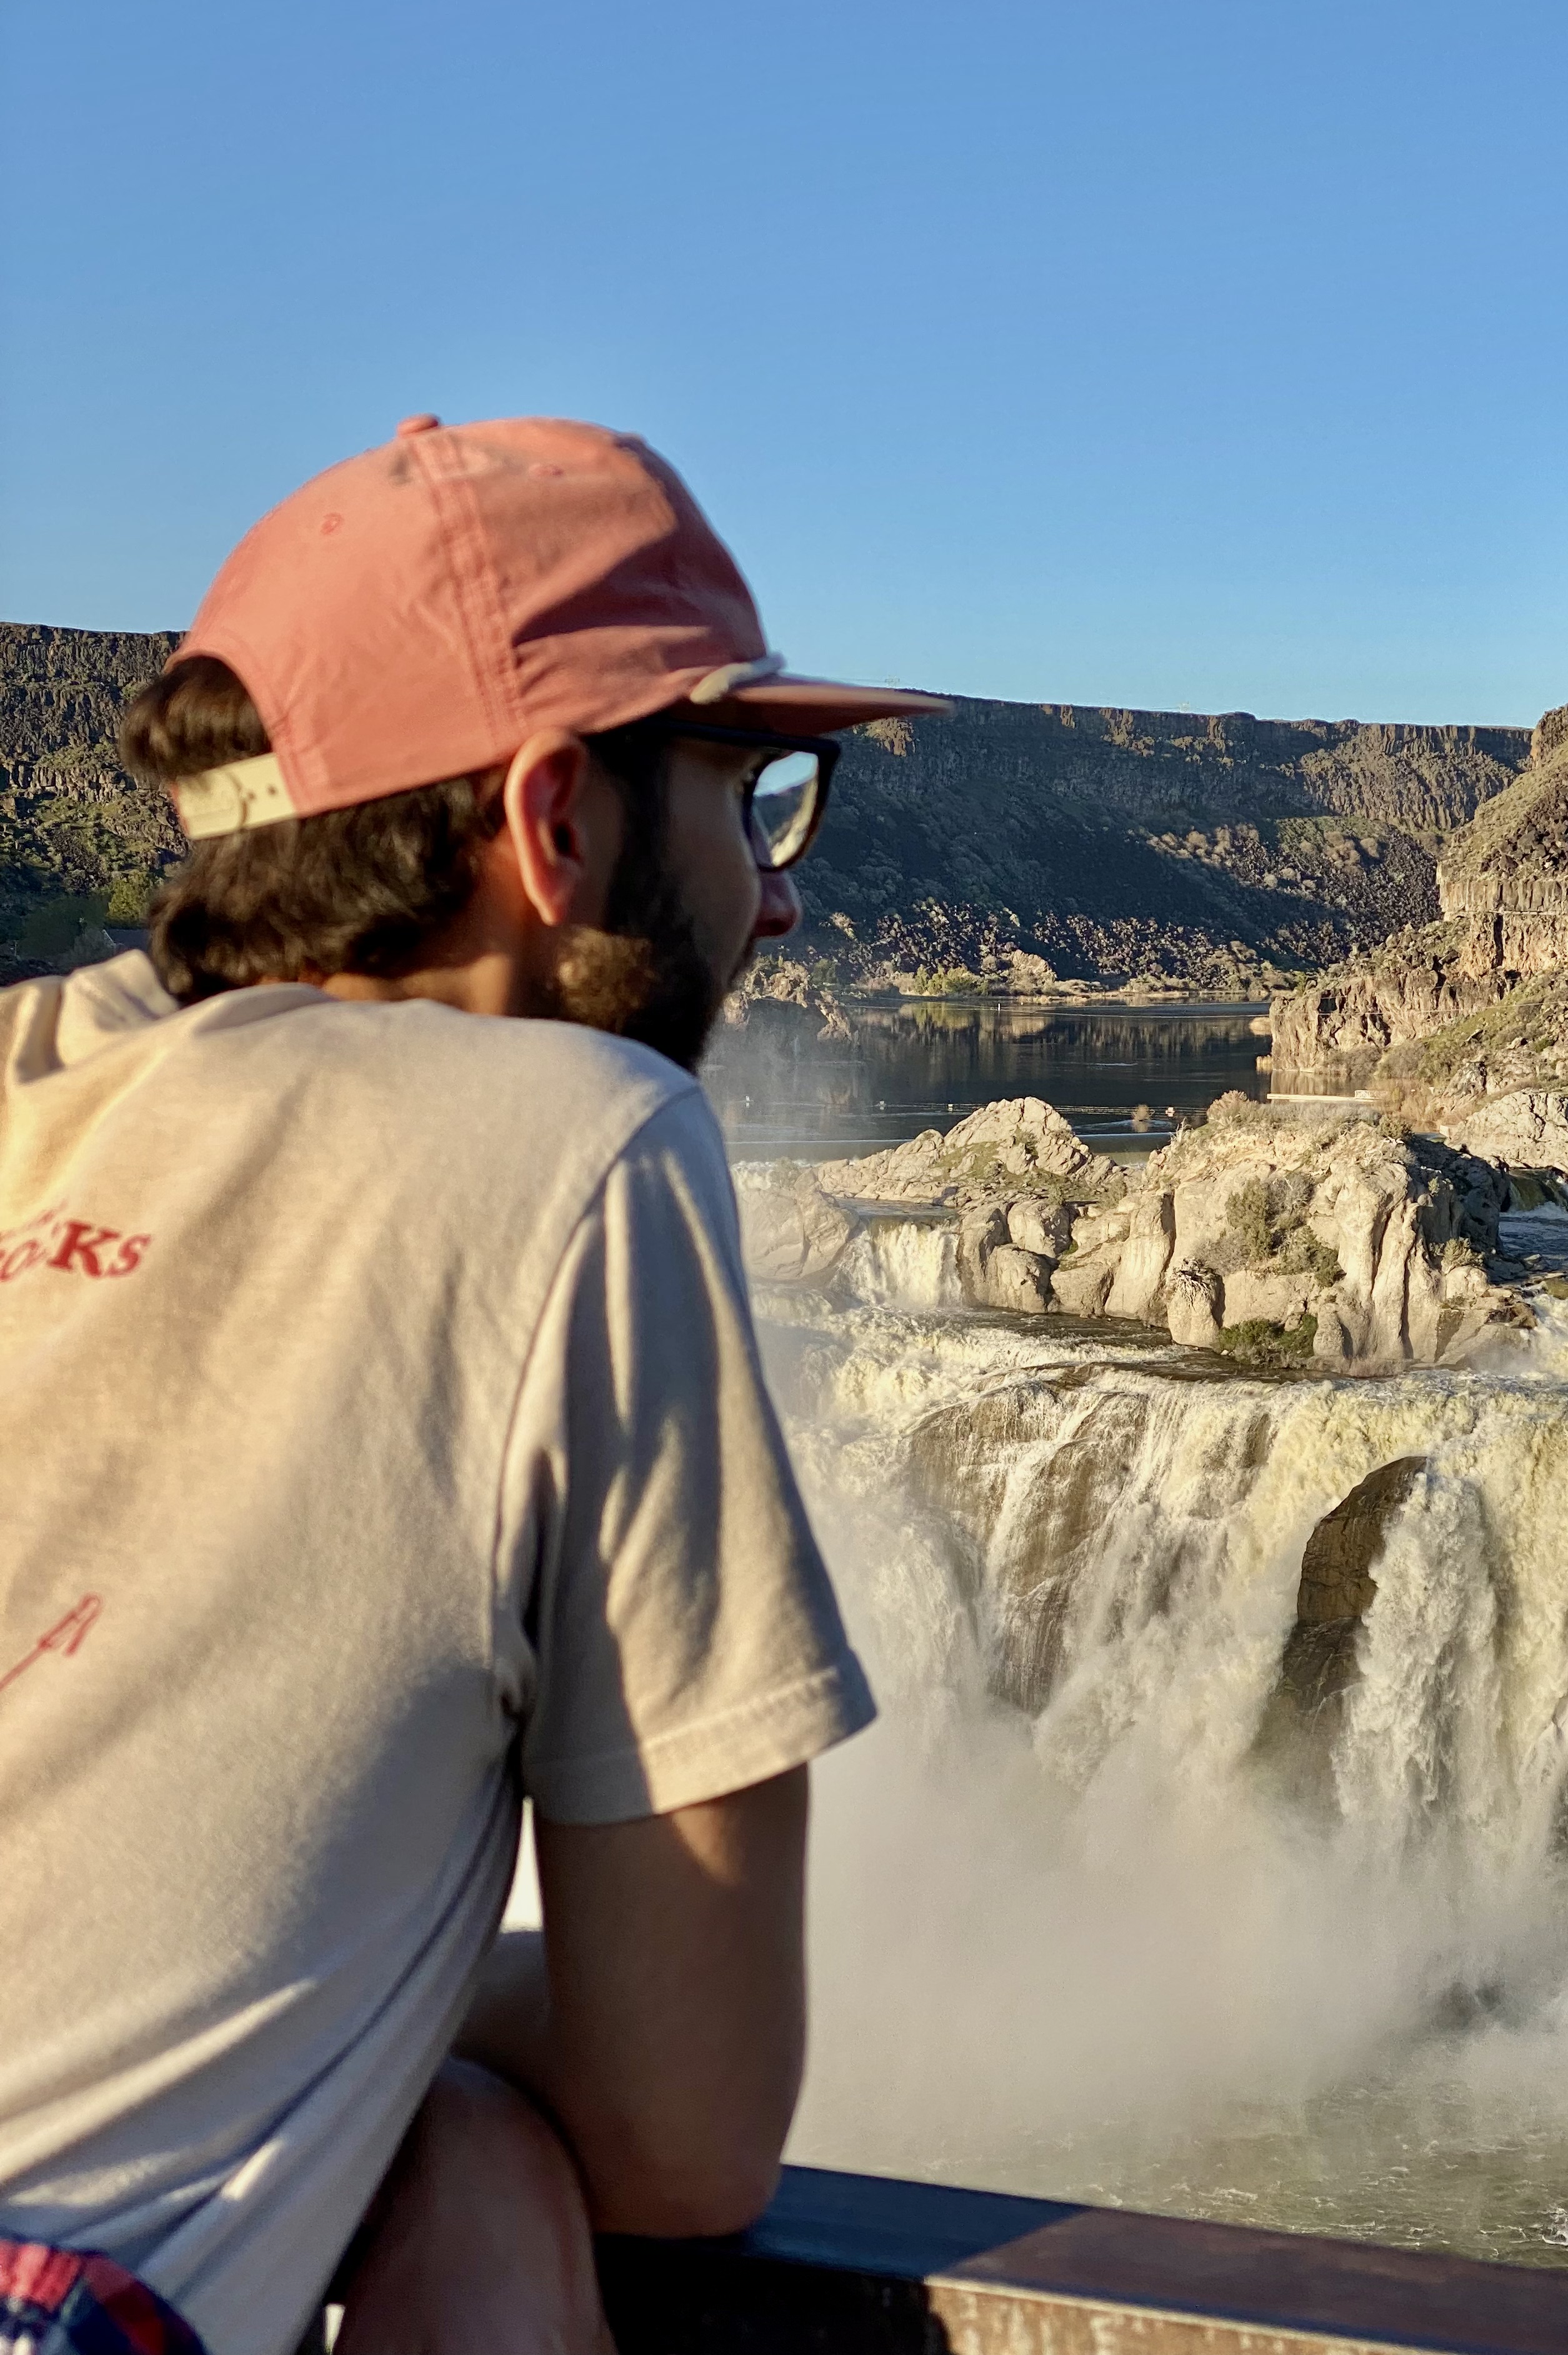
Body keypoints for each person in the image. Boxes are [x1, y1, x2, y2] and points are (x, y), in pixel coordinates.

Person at [0, 416, 946, 2355]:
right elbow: (687, 2142)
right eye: (754, 791)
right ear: (549, 823)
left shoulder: (31, 1073)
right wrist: (445, 2090)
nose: (775, 897)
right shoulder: (580, 1139)